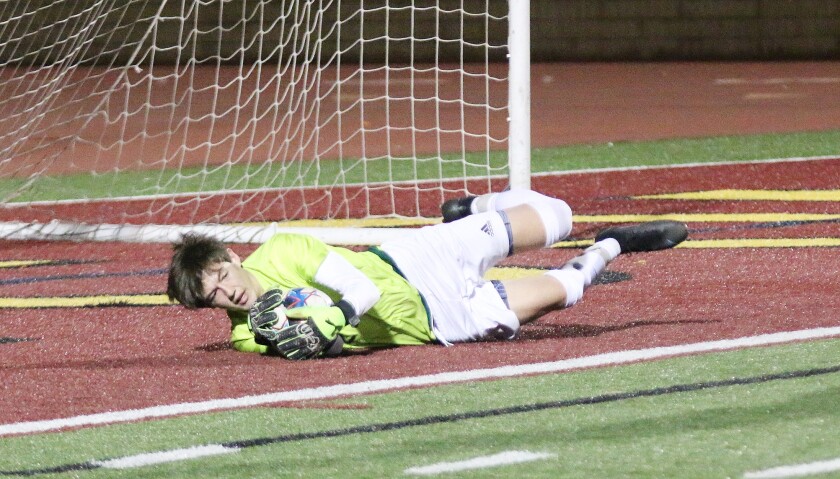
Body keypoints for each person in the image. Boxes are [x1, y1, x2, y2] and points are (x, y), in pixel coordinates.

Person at [167, 190, 687, 359]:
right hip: (440, 322)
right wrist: (316, 344)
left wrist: (335, 315)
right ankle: (614, 244)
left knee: (557, 217)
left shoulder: (284, 249)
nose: (226, 291)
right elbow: (317, 350)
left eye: (219, 274)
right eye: (212, 296)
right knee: (566, 290)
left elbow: (360, 288)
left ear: (231, 257)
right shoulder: (249, 338)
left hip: (417, 259)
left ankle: (475, 206)